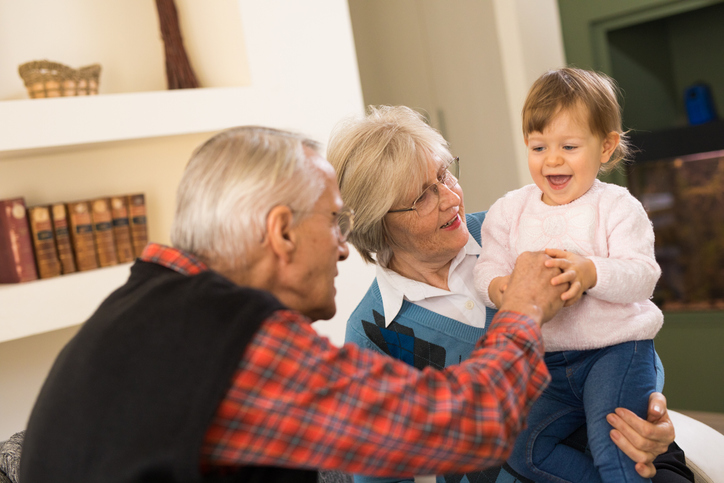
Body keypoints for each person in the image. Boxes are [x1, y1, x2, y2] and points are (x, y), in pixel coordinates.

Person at [20, 125, 565, 483]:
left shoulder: (146, 305)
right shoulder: (233, 342)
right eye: (333, 222)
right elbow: (475, 423)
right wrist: (521, 312)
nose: (344, 248)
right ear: (281, 232)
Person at [327, 105, 685, 483]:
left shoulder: (513, 232)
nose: (451, 198)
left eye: (444, 174)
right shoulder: (370, 338)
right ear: (377, 226)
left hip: (621, 451)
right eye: (422, 197)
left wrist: (651, 412)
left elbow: (619, 328)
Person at [473, 67, 663, 482]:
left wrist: (591, 272)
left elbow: (643, 276)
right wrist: (500, 289)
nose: (553, 159)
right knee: (520, 450)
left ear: (606, 148)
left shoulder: (616, 206)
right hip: (548, 363)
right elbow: (486, 265)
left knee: (615, 446)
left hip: (614, 352)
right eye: (539, 147)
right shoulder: (510, 210)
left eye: (570, 146)